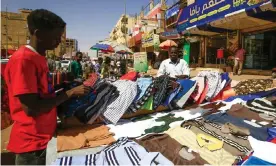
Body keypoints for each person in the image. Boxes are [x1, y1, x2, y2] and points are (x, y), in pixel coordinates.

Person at [4, 9, 91, 165]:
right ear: (38, 33)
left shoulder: (39, 58)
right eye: (56, 37)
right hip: (32, 146)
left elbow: (41, 94)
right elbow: (31, 108)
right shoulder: (24, 60)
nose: (59, 41)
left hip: (43, 138)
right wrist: (69, 93)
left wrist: (61, 87)